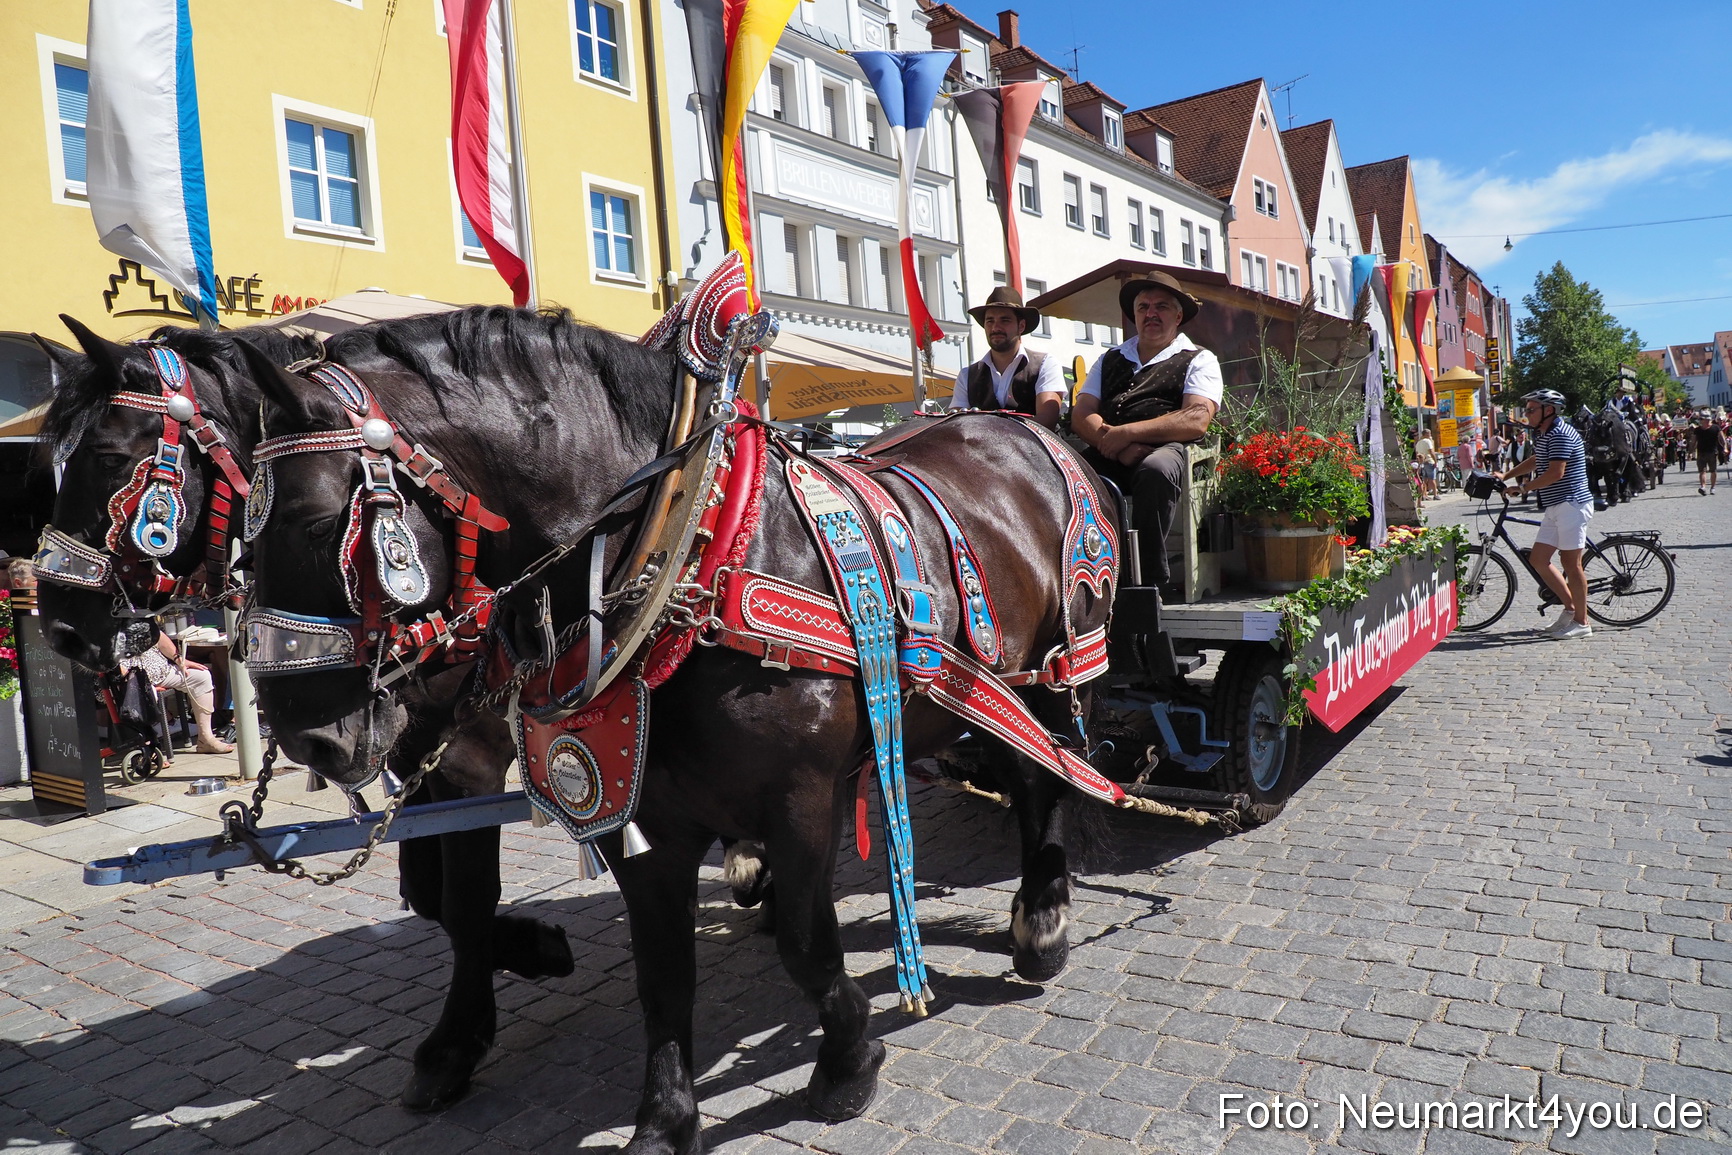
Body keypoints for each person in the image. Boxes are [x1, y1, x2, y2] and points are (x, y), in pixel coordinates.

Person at [1071, 273, 1222, 591]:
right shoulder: (1109, 359)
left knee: (1156, 470)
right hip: (1111, 449)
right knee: (1068, 474)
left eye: (1161, 307)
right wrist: (1120, 446)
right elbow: (1082, 415)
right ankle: (1081, 577)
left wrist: (1128, 432)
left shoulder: (1199, 359)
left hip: (1166, 449)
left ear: (1178, 316)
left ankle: (1147, 583)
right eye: (1144, 307)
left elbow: (1196, 419)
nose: (1151, 313)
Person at [1496, 389, 1594, 640]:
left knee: (1572, 564)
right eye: (1526, 410)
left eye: (1531, 410)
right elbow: (1536, 460)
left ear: (1548, 410)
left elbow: (1555, 473)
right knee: (1539, 559)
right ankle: (1571, 609)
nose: (1526, 414)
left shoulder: (1560, 434)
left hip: (1571, 504)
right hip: (1556, 505)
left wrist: (1523, 488)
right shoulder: (1545, 434)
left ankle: (1582, 622)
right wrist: (1505, 475)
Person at [950, 286, 1066, 429]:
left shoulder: (1045, 364)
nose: (995, 328)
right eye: (990, 321)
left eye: (1004, 320)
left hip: (1031, 444)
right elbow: (956, 427)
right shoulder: (966, 375)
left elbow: (1046, 420)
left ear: (1021, 326)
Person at [119, 628, 234, 756]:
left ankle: (205, 739)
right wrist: (128, 678)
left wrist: (180, 660)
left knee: (201, 676)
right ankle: (147, 749)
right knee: (143, 694)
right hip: (131, 678)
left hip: (162, 671)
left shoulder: (138, 620)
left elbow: (159, 637)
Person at [1693, 412, 1727, 495]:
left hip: (1712, 452)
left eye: (1707, 419)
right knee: (1702, 471)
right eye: (1703, 419)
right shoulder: (1697, 430)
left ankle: (1712, 487)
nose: (1705, 421)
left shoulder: (1716, 428)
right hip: (1701, 452)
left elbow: (1722, 439)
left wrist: (1725, 448)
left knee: (1713, 471)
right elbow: (1694, 441)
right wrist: (1691, 451)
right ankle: (1703, 487)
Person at [1414, 428, 1438, 497]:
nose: (1430, 435)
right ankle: (1435, 495)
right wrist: (1435, 461)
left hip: (1422, 462)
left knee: (1424, 480)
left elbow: (1417, 453)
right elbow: (1431, 452)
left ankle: (1424, 495)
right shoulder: (1428, 441)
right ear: (1427, 434)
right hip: (1429, 461)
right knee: (1432, 479)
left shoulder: (1418, 443)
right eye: (1429, 433)